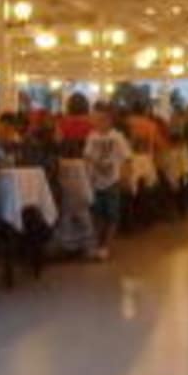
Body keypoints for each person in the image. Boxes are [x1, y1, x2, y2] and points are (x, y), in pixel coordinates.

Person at [81, 103, 133, 261]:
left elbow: (127, 157)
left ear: (110, 120)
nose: (98, 122)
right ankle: (97, 243)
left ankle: (106, 246)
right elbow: (87, 156)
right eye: (95, 119)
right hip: (96, 181)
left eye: (102, 119)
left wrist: (125, 176)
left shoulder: (117, 137)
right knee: (97, 214)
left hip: (112, 181)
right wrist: (90, 170)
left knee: (112, 215)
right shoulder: (92, 136)